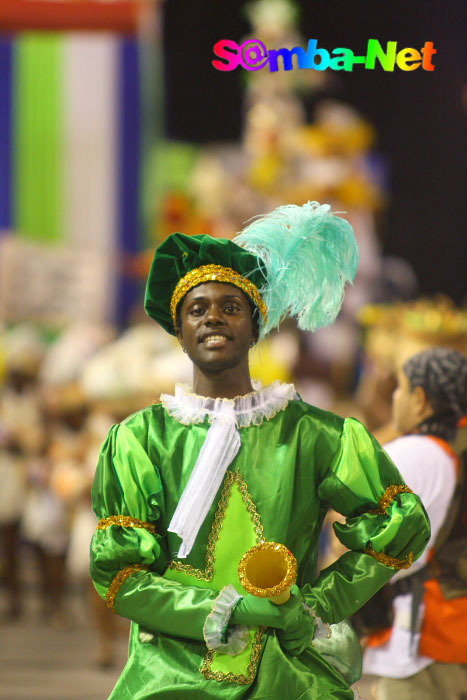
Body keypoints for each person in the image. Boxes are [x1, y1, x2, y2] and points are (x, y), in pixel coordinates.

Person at [90, 201, 430, 699]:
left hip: (286, 679)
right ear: (178, 331)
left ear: (255, 326)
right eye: (196, 309)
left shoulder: (317, 434)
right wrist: (227, 609)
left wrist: (314, 606)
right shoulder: (138, 441)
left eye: (231, 308)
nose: (213, 319)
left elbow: (400, 526)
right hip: (170, 681)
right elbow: (120, 577)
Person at [363, 347, 467, 700]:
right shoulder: (450, 452)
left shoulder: (414, 453)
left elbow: (376, 550)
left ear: (420, 400)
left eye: (400, 388)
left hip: (421, 642)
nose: (395, 398)